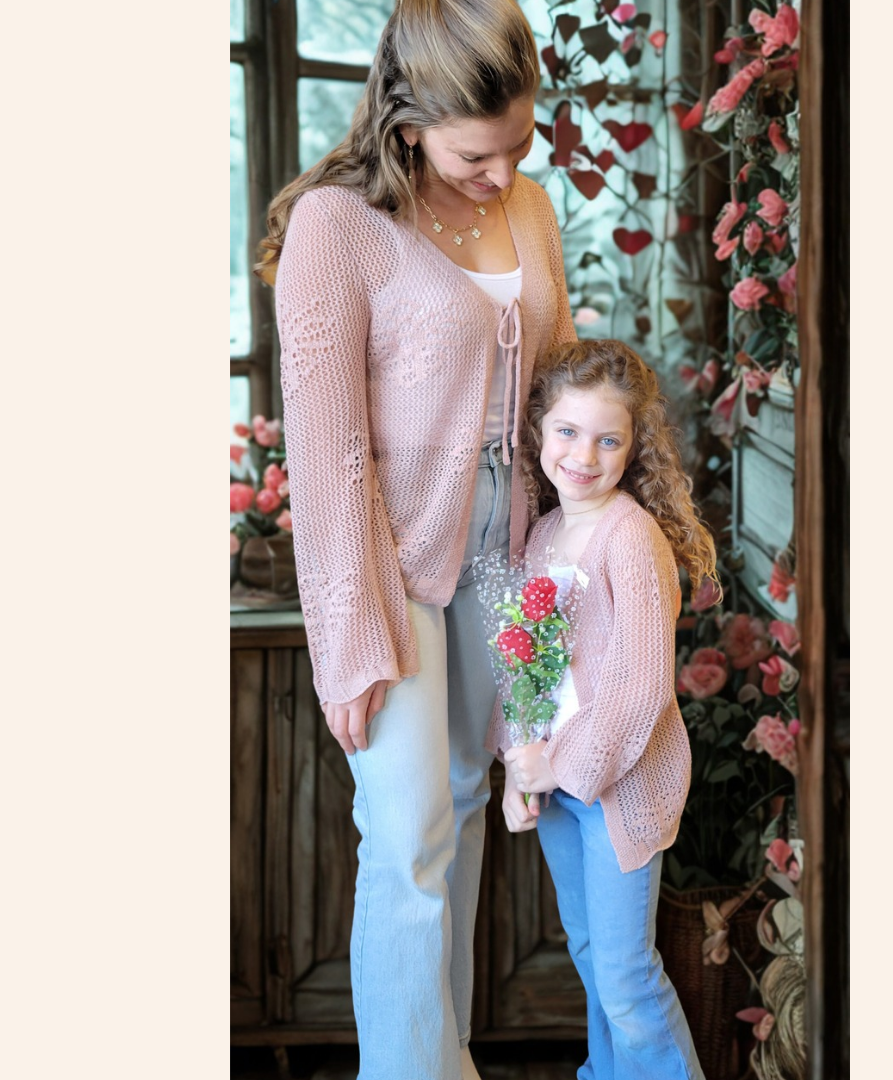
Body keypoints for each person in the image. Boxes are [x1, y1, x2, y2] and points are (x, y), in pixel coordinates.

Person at [254, 1, 575, 1076]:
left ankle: (447, 1059)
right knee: (407, 838)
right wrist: (346, 633)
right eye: (477, 152)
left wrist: (582, 551)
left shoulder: (528, 210)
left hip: (509, 550)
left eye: (519, 146)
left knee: (475, 807)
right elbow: (329, 449)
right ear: (408, 121)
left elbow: (557, 375)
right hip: (388, 556)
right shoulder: (338, 227)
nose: (503, 174)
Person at [488, 339, 720, 1080]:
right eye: (568, 431)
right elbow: (523, 666)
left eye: (607, 438)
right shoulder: (547, 533)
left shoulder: (631, 539)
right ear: (538, 432)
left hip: (618, 790)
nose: (584, 455)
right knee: (591, 957)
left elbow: (639, 688)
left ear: (632, 448)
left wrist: (556, 764)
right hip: (558, 791)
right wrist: (517, 773)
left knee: (625, 975)